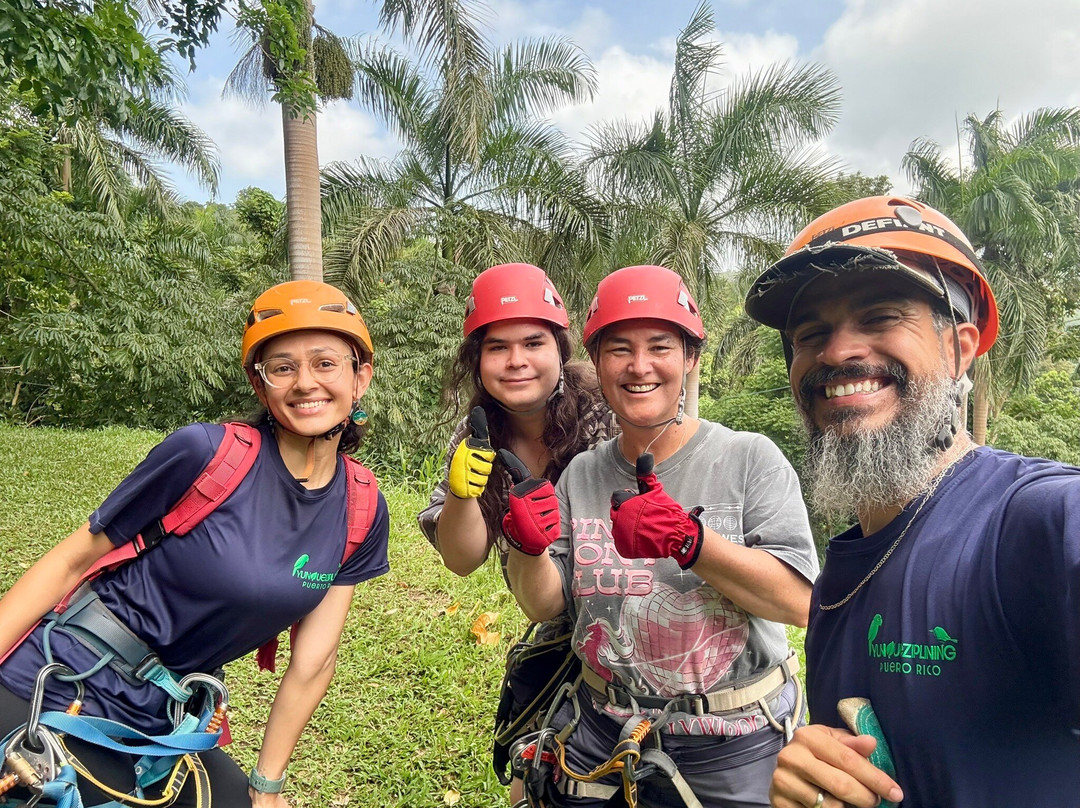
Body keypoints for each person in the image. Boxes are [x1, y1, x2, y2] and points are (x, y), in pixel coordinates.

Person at [744, 195, 1080, 808]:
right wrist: (810, 779)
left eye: (880, 316)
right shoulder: (839, 579)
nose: (837, 352)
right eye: (811, 333)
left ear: (961, 347)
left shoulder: (1032, 522)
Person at [0, 280, 390, 808]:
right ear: (260, 385)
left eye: (325, 363)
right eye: (282, 367)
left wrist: (268, 785)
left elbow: (314, 660)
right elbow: (74, 559)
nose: (305, 383)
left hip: (163, 722)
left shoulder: (362, 508)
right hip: (58, 682)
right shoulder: (206, 454)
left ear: (359, 376)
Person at [502, 264, 819, 808]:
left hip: (734, 740)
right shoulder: (581, 473)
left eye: (661, 347)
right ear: (597, 364)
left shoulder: (747, 459)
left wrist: (691, 542)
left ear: (690, 359)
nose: (639, 366)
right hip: (603, 731)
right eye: (619, 348)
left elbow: (799, 602)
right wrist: (527, 552)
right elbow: (545, 604)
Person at [417, 263, 616, 799]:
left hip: (631, 615)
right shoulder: (480, 434)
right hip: (554, 625)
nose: (516, 361)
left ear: (560, 349)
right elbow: (461, 559)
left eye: (533, 342)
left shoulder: (607, 414)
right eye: (497, 347)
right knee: (534, 782)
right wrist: (464, 495)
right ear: (477, 360)